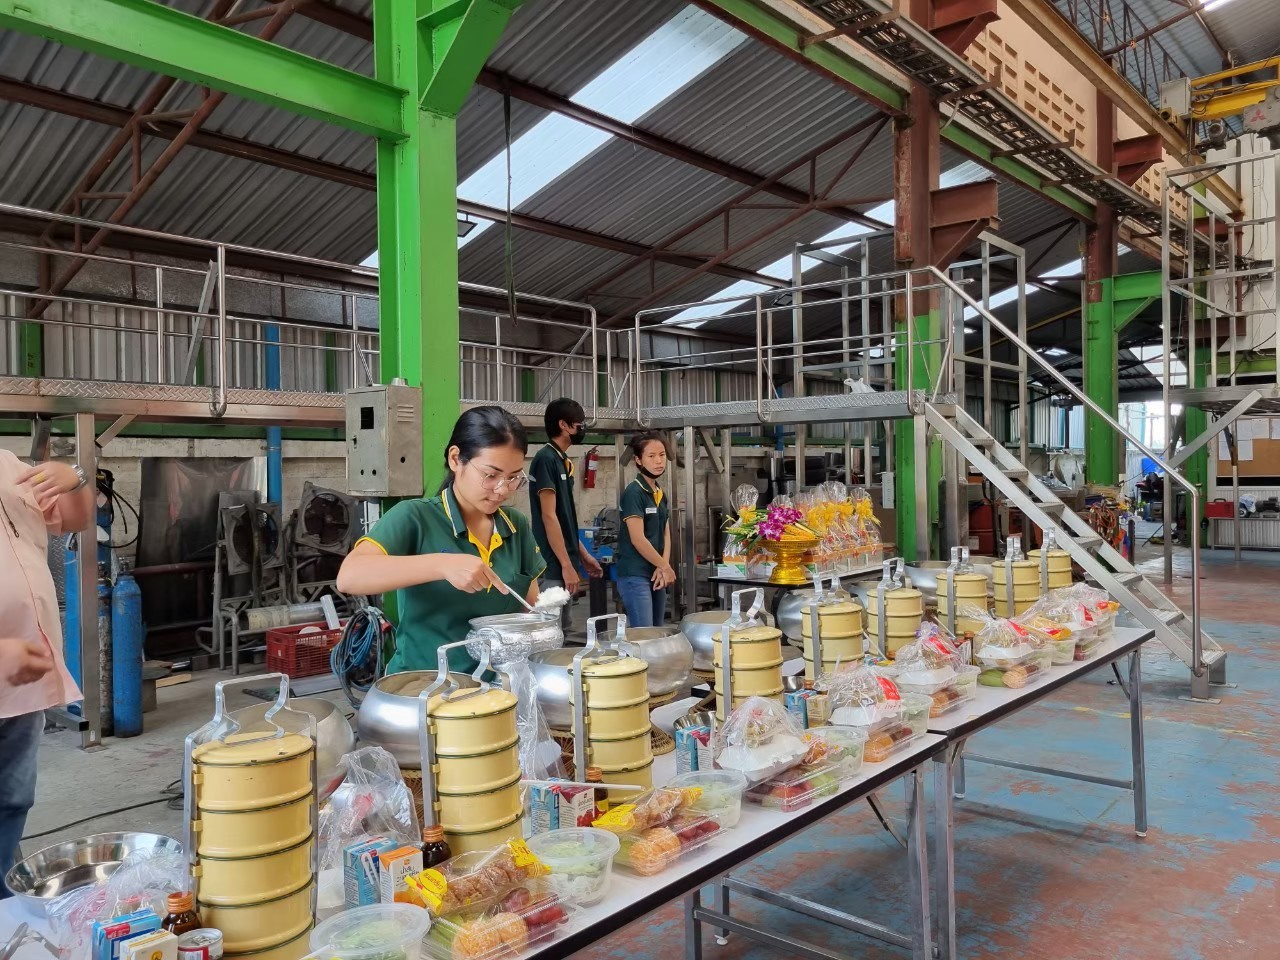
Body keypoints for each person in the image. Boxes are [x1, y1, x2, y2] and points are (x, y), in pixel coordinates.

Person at [336, 406, 546, 673]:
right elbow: (350, 576)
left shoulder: (515, 525)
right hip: (425, 685)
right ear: (456, 459)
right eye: (491, 476)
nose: (503, 490)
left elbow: (529, 607)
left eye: (513, 477)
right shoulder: (415, 517)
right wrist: (442, 565)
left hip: (496, 685)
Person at [1, 452, 93, 895]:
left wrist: (74, 480)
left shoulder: (8, 465)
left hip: (22, 681)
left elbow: (76, 519)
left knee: (12, 799)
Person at [528, 399, 602, 610]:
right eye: (580, 424)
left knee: (565, 626)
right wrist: (566, 565)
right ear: (563, 425)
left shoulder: (561, 460)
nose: (582, 429)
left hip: (563, 564)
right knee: (552, 627)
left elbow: (564, 521)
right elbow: (549, 516)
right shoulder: (546, 459)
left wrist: (583, 556)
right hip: (553, 566)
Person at [616, 431, 675, 628]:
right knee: (644, 633)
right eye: (651, 456)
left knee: (657, 631)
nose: (659, 461)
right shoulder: (634, 493)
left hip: (657, 571)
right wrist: (665, 566)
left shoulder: (659, 493)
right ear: (638, 460)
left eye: (662, 455)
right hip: (635, 574)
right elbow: (637, 539)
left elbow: (666, 532)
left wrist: (662, 565)